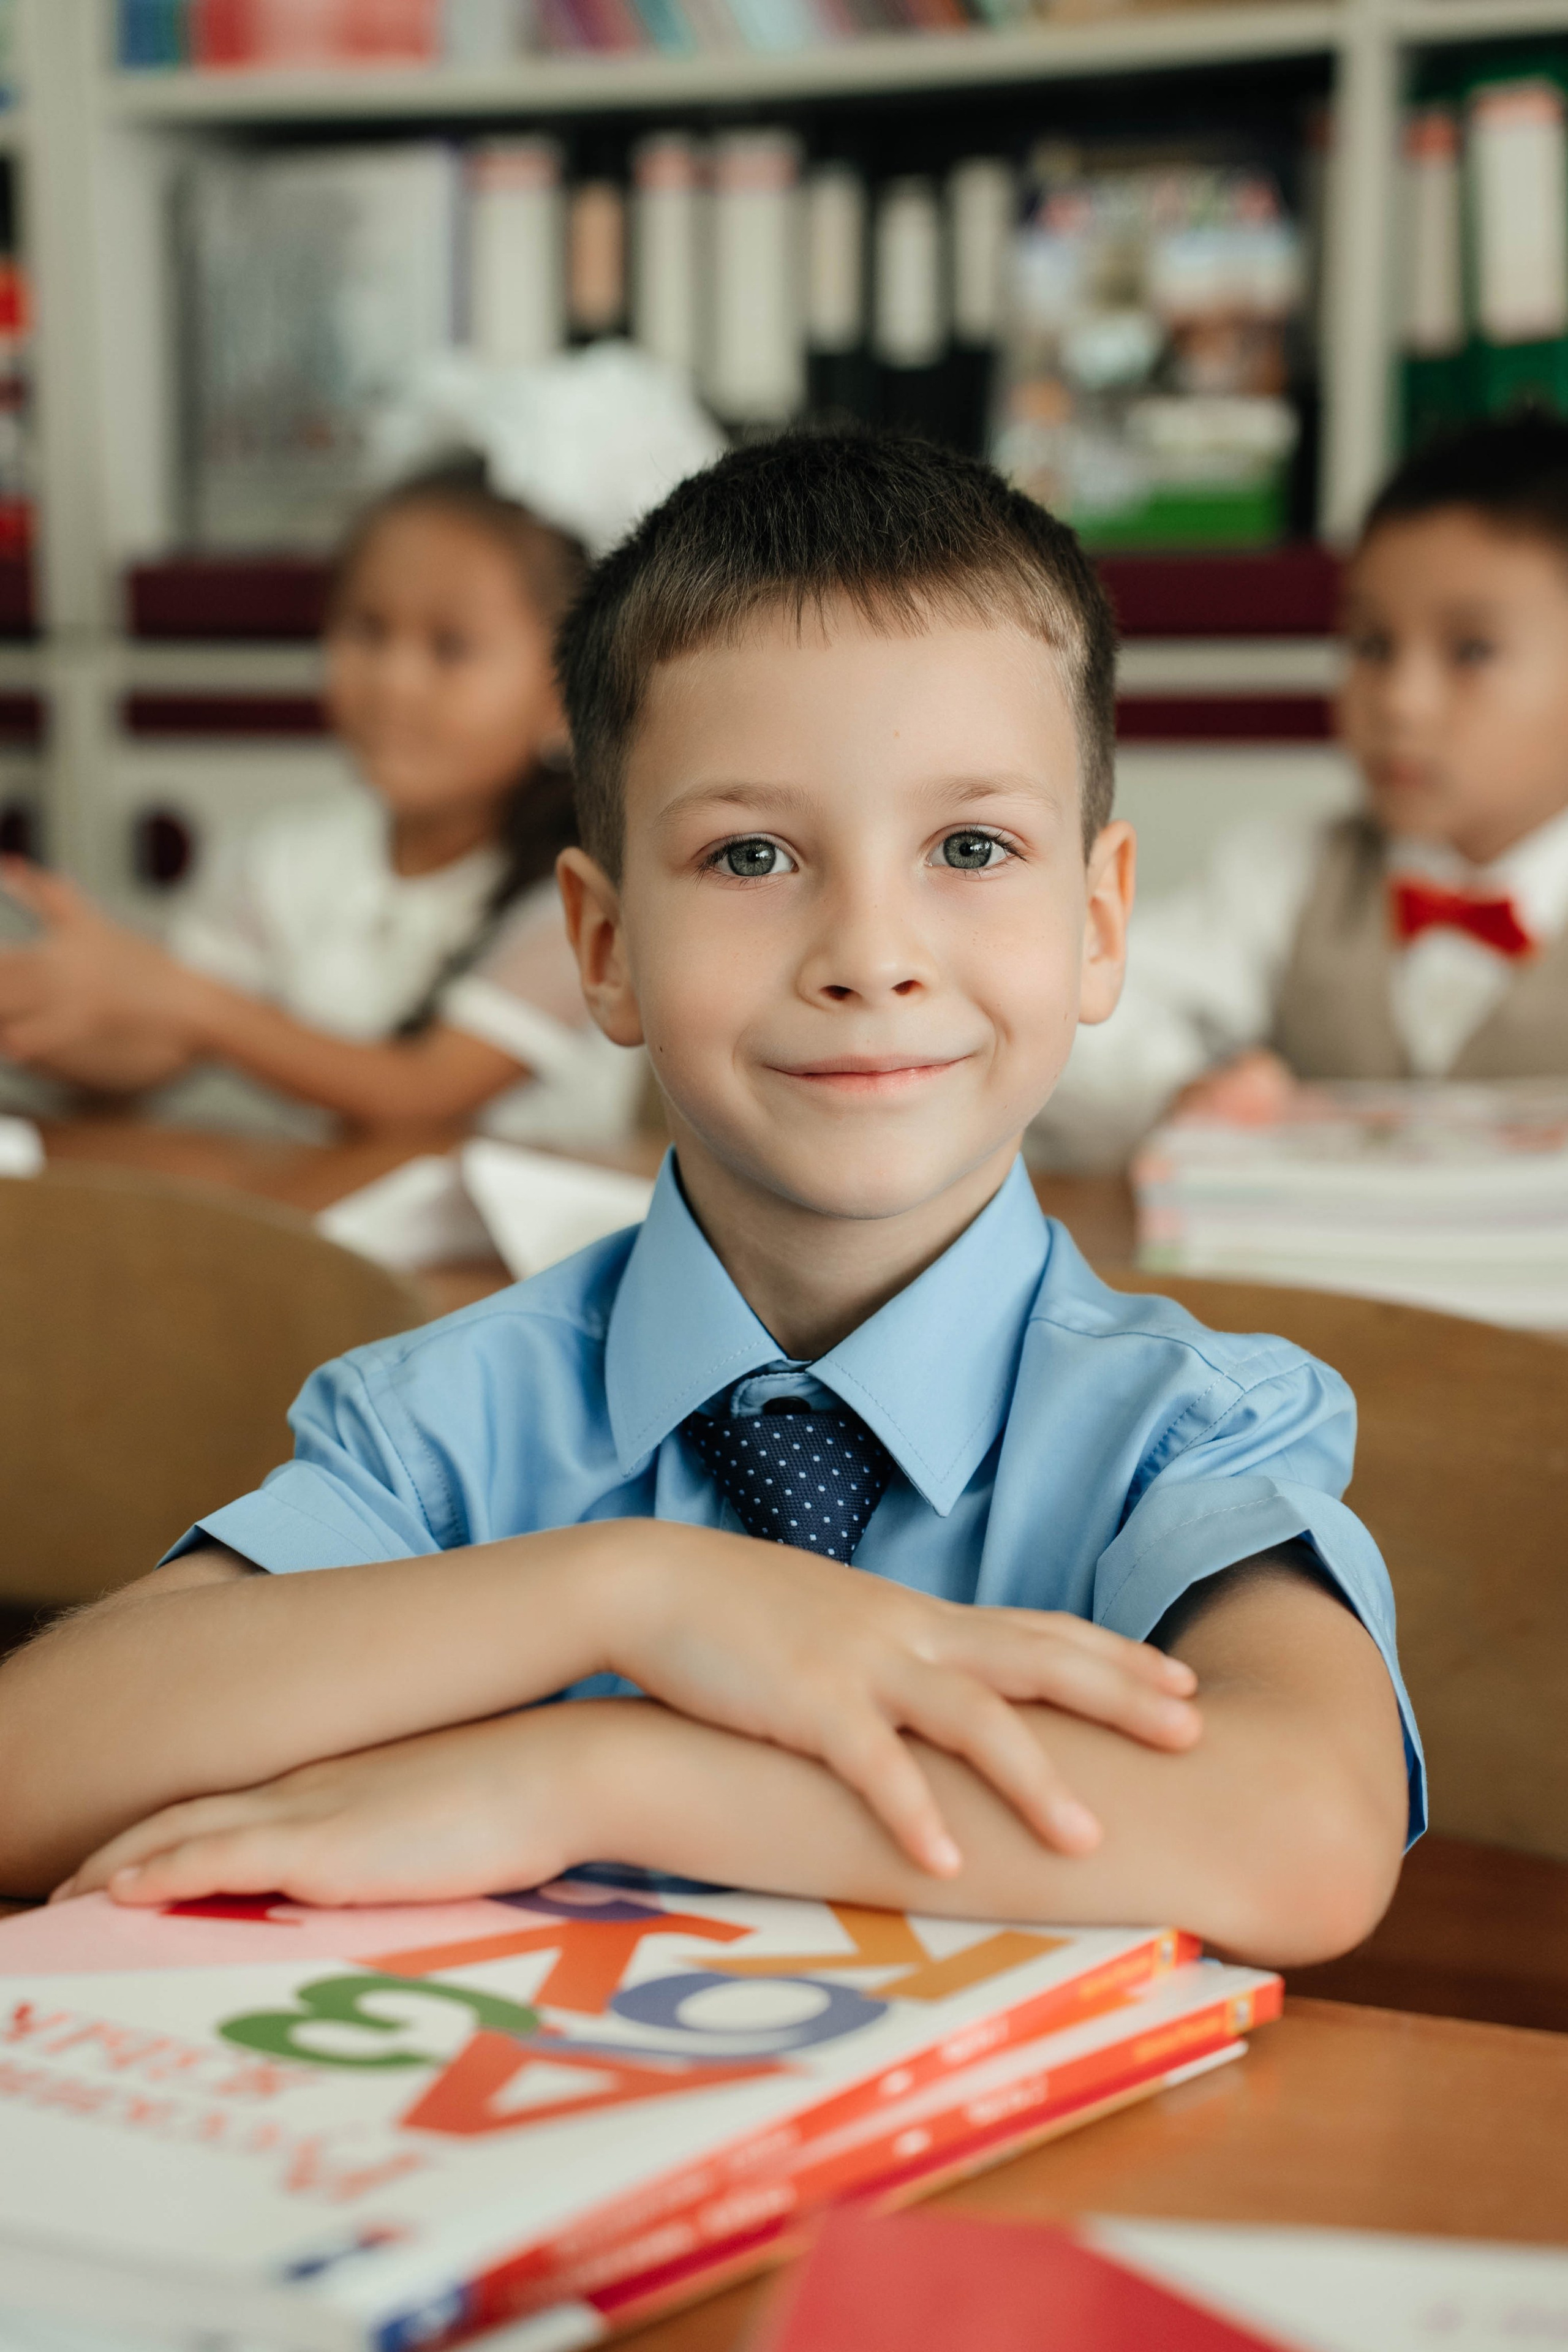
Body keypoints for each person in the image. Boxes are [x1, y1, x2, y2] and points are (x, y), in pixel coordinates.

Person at [0, 433, 1420, 1969]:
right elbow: (27, 1767)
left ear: (1095, 920)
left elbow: (1299, 1835)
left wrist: (594, 1772)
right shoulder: (457, 1415)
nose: (868, 952)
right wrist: (624, 1594)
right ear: (601, 947)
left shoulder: (1184, 1428)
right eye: (750, 852)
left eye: (969, 846)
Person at [0, 461, 648, 1148]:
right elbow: (155, 1051)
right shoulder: (282, 857)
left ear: (564, 696)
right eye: (367, 630)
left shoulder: (581, 898)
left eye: (448, 647)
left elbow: (423, 1095)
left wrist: (183, 998)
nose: (393, 682)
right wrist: (54, 1007)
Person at [1033, 413, 1568, 1169]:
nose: (1398, 701)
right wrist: (1181, 1091)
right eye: (1371, 645)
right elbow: (1073, 1002)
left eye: (1470, 651)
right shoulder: (1285, 869)